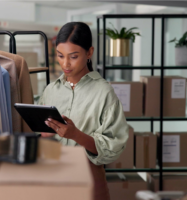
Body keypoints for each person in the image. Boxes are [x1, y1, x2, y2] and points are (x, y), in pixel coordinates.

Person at [38, 22, 129, 200]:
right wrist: (44, 136)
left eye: (73, 56)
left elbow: (114, 147)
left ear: (89, 53)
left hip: (88, 180)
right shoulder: (50, 90)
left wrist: (76, 135)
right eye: (60, 56)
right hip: (52, 177)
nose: (65, 63)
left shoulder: (104, 92)